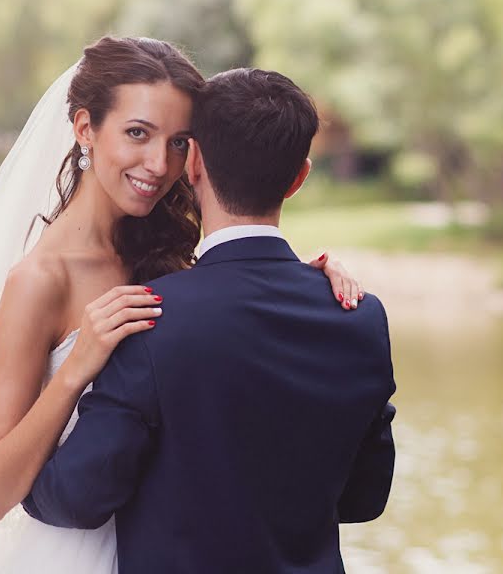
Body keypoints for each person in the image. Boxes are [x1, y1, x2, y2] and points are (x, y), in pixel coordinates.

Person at [0, 37, 363, 574]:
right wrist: (74, 371)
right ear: (86, 129)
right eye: (138, 133)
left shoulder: (173, 251)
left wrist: (306, 283)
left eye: (180, 143)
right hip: (73, 551)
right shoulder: (42, 279)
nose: (159, 164)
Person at [23, 67, 396, 573]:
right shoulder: (360, 316)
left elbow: (76, 499)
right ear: (299, 177)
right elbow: (363, 500)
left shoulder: (148, 316)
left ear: (193, 160)